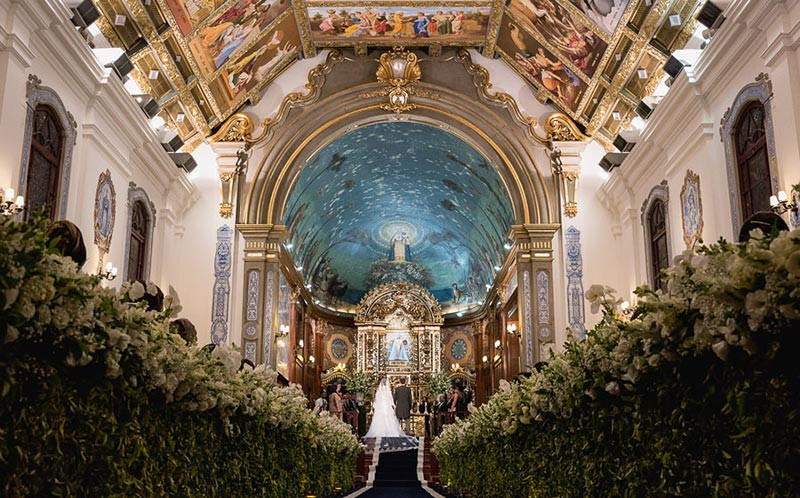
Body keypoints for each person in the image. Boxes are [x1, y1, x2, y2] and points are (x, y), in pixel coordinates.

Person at [364, 378, 417, 450]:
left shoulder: (383, 391)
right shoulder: (405, 390)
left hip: (381, 409)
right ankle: (404, 433)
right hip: (393, 408)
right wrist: (395, 406)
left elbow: (378, 401)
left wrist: (395, 406)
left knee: (386, 421)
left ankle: (382, 432)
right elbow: (393, 400)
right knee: (396, 422)